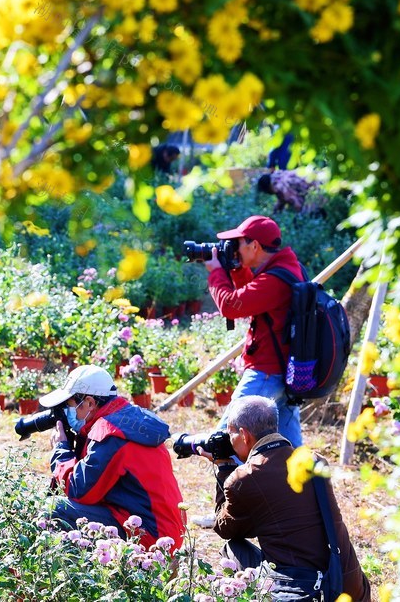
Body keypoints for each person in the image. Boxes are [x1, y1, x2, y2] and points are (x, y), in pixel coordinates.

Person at [205, 396, 371, 601]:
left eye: (230, 433)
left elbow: (226, 528)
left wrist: (223, 467)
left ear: (244, 435)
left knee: (233, 548)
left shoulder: (245, 478)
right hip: (349, 584)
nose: (229, 439)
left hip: (307, 593)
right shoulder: (313, 460)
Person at [43, 365, 186, 550]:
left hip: (150, 536)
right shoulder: (127, 418)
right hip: (164, 530)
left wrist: (61, 450)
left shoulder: (110, 434)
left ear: (89, 403)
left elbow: (79, 490)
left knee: (54, 509)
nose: (68, 413)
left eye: (70, 406)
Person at [204, 215, 305, 447]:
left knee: (226, 442)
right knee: (289, 451)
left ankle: (233, 483)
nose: (233, 249)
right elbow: (252, 299)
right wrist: (237, 269)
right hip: (283, 371)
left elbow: (231, 306)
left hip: (267, 374)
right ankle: (303, 484)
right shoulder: (285, 268)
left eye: (237, 244)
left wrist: (215, 272)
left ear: (255, 245)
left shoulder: (275, 279)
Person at [256, 171, 322, 215]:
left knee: (306, 213)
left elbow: (297, 204)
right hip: (316, 180)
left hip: (316, 191)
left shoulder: (280, 186)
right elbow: (281, 200)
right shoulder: (278, 176)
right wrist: (275, 212)